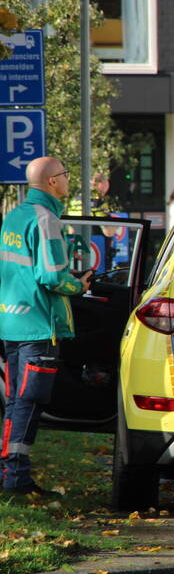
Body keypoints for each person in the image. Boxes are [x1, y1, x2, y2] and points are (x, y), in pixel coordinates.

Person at [0, 157, 93, 496]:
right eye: (65, 174)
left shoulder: (14, 216)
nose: (68, 179)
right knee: (30, 402)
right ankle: (16, 478)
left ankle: (8, 473)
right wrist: (78, 285)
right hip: (40, 325)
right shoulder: (46, 219)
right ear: (53, 181)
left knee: (15, 401)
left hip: (12, 322)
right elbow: (51, 277)